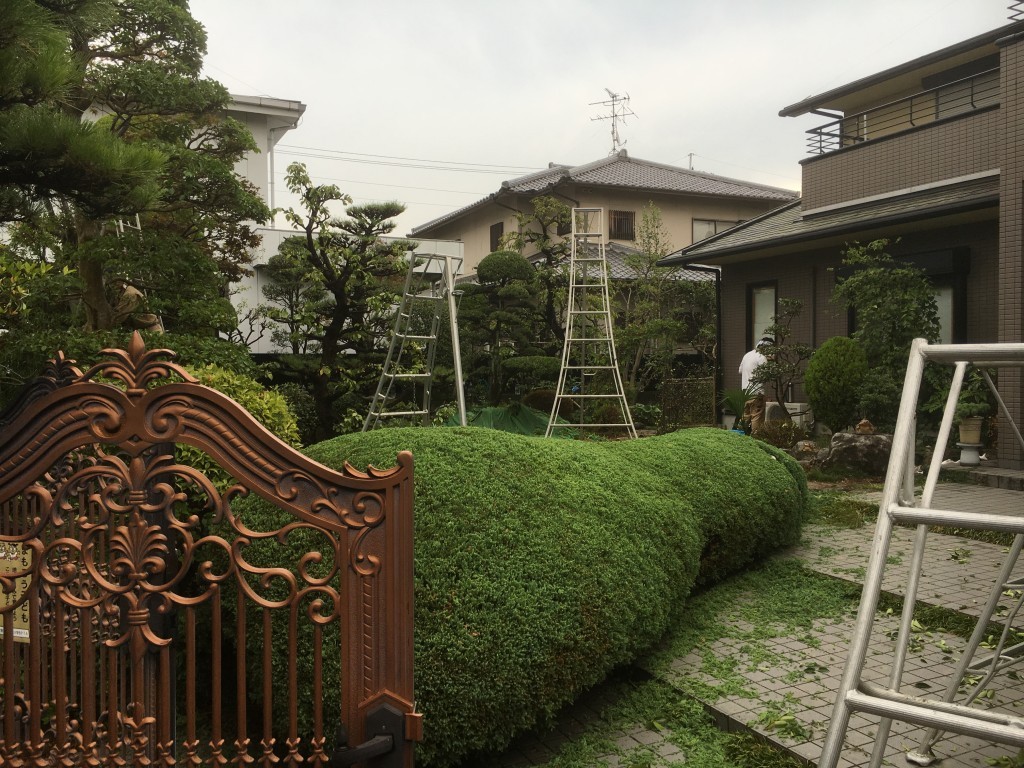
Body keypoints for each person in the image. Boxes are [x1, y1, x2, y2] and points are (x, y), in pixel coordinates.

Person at [738, 338, 773, 433]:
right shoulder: (761, 357)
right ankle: (756, 439)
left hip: (745, 392)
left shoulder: (747, 355)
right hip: (756, 393)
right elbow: (767, 374)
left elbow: (740, 370)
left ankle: (739, 438)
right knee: (756, 417)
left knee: (745, 416)